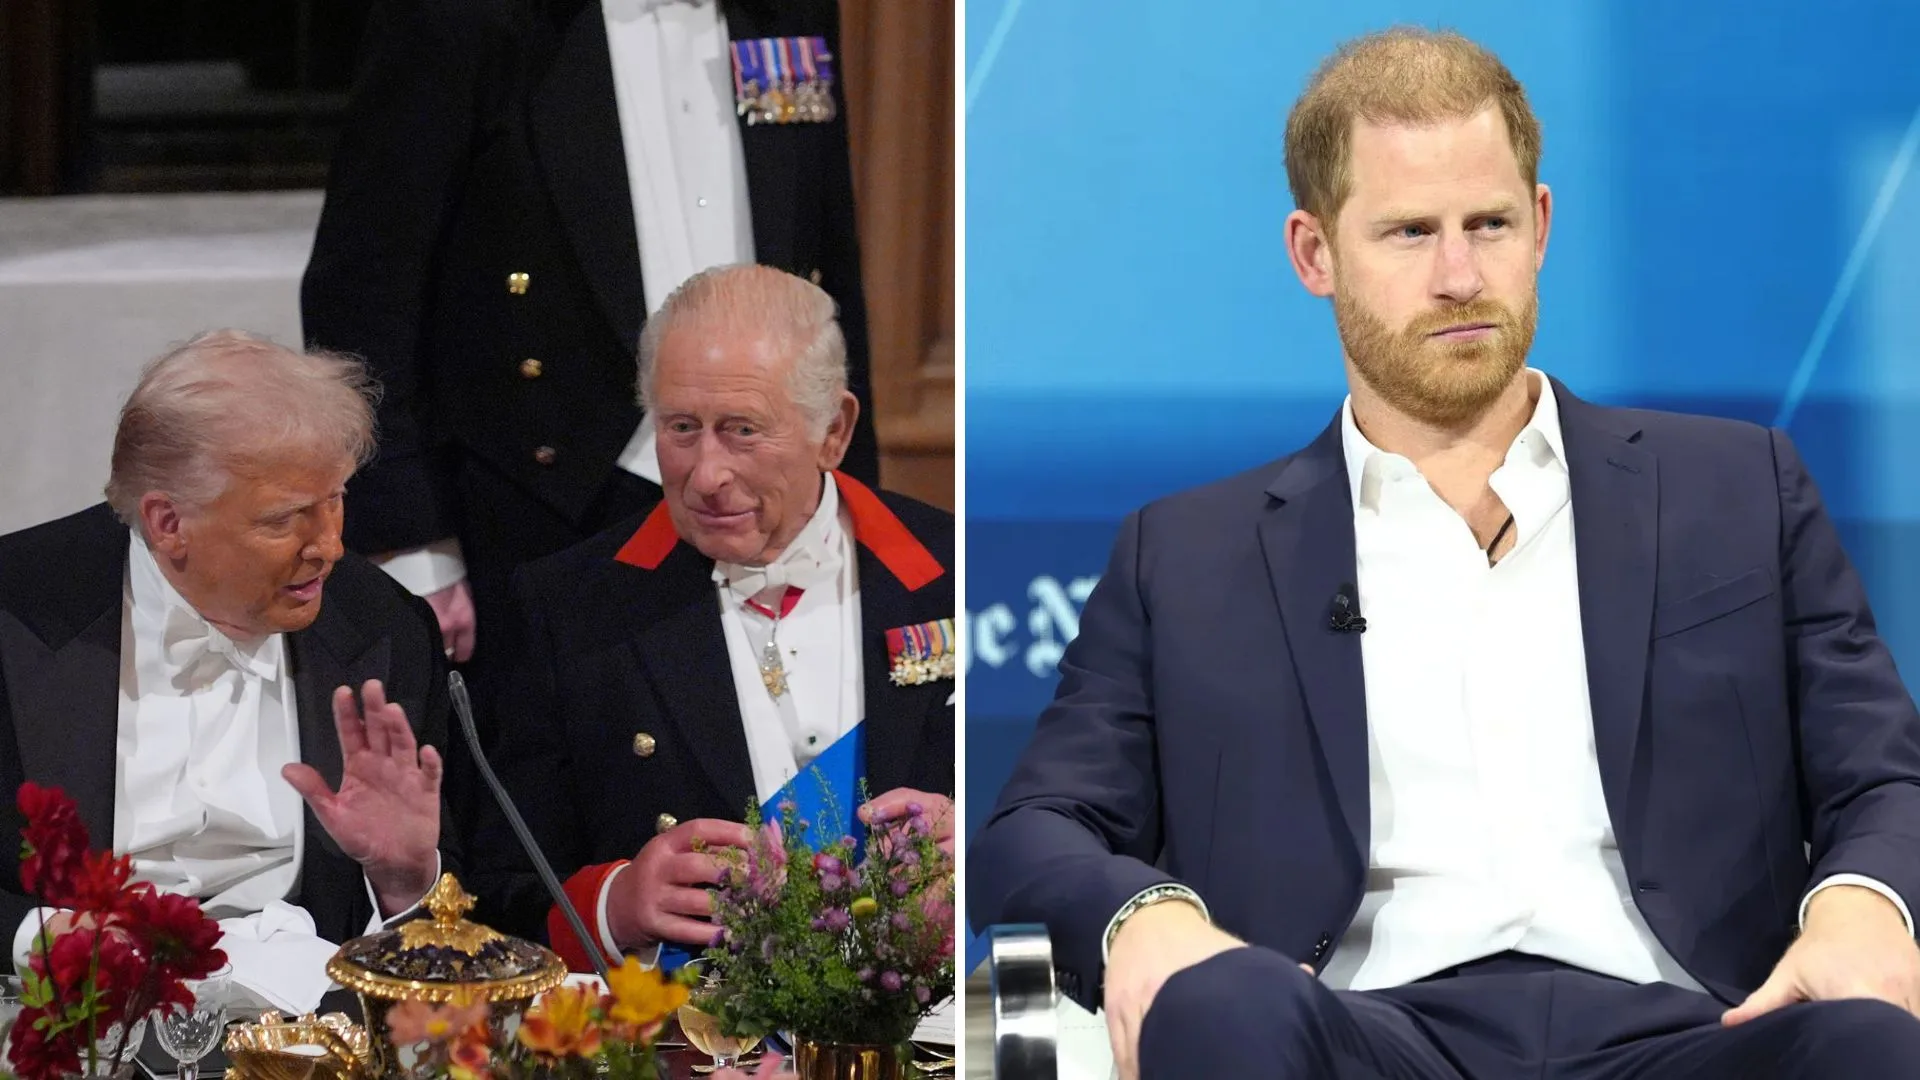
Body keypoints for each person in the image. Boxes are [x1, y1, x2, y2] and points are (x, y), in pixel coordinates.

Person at [967, 27, 1920, 1080]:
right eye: (1411, 232)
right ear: (1314, 253)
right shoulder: (1185, 557)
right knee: (1228, 1004)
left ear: (1543, 226)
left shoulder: (1737, 489)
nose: (1460, 275)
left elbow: (1885, 776)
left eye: (1491, 224)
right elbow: (1033, 830)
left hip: (1696, 1031)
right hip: (1360, 1035)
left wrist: (1861, 907)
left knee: (1868, 1041)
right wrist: (1145, 918)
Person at [300, 0, 879, 702]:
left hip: (766, 494)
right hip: (538, 506)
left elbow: (826, 264)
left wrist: (855, 505)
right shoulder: (461, 17)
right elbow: (366, 281)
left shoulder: (789, 8)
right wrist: (409, 539)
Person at [467, 265, 951, 971]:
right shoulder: (568, 606)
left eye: (743, 431)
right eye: (681, 428)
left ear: (835, 431)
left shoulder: (956, 572)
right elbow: (493, 885)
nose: (705, 475)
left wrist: (976, 842)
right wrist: (614, 905)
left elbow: (1080, 820)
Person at [0, 331, 455, 1011]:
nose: (328, 546)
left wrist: (403, 879)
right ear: (167, 523)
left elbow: (452, 911)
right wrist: (44, 935)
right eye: (286, 520)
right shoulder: (15, 609)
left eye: (334, 500)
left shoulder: (386, 626)